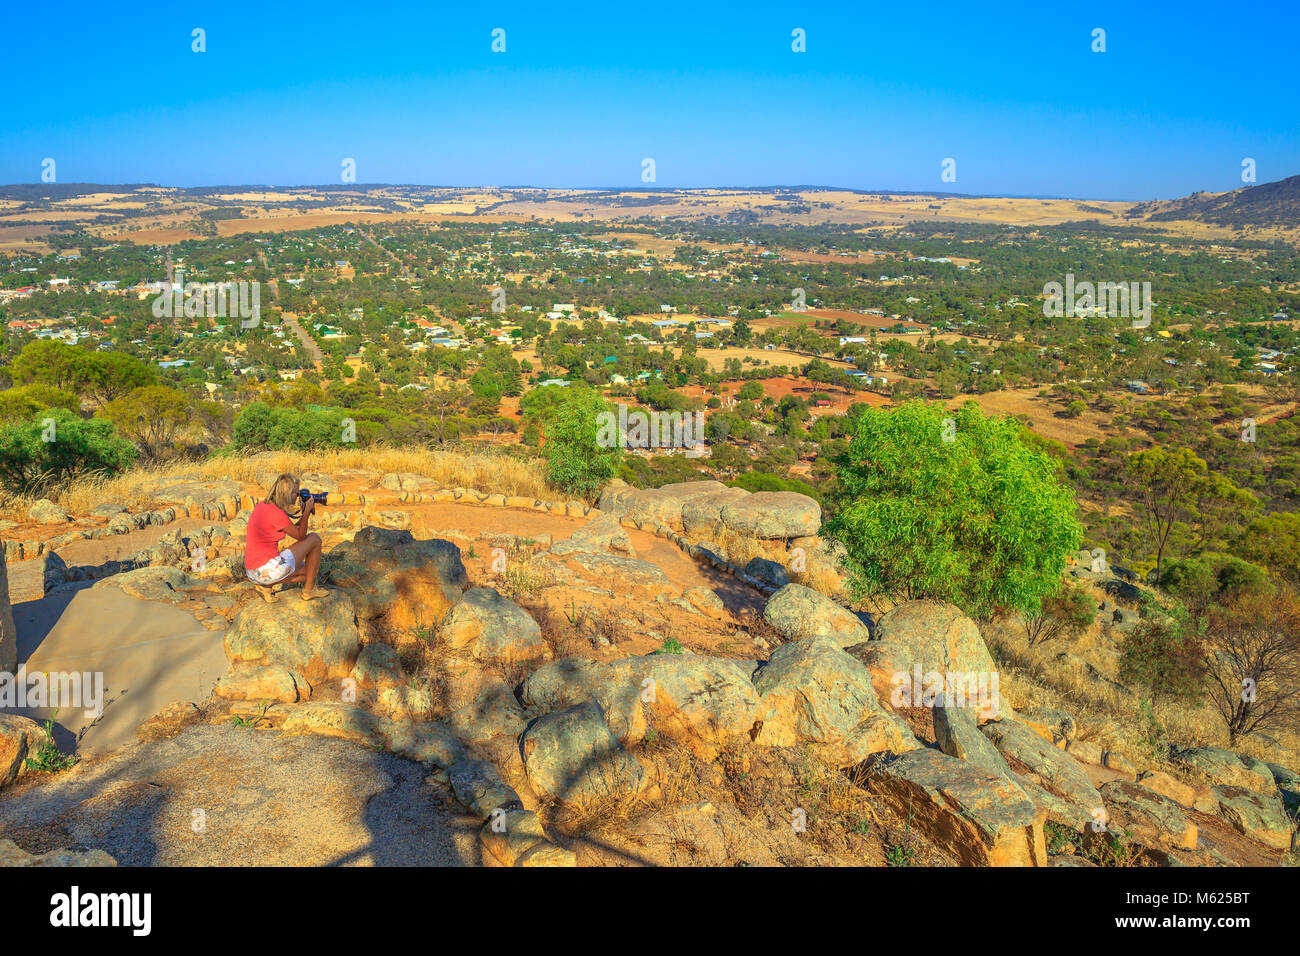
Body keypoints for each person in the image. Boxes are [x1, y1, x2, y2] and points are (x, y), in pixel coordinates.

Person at [244, 473, 323, 602]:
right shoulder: (277, 513)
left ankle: (266, 585)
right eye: (295, 493)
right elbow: (301, 536)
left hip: (252, 572)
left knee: (309, 571)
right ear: (287, 494)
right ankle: (309, 591)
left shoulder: (264, 505)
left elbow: (290, 527)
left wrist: (303, 514)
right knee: (314, 539)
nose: (296, 497)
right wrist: (306, 513)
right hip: (265, 568)